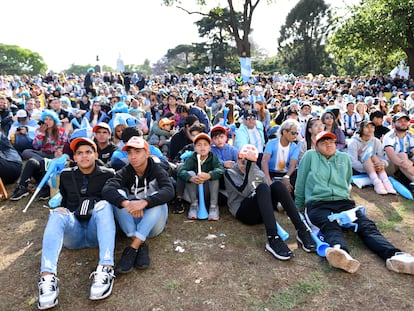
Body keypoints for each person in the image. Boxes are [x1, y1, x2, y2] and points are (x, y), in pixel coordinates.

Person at [295, 131, 414, 274]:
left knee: (366, 225)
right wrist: (298, 205)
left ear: (335, 143)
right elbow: (300, 181)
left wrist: (343, 197)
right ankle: (340, 253)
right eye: (323, 142)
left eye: (331, 141)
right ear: (316, 146)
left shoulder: (344, 158)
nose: (328, 144)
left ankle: (395, 255)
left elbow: (347, 181)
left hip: (343, 202)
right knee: (330, 225)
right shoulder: (310, 156)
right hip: (318, 203)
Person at [37, 137, 116, 310]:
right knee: (57, 213)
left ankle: (106, 267)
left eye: (88, 152)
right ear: (74, 157)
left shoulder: (108, 174)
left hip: (97, 231)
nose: (84, 156)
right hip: (75, 231)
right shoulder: (66, 175)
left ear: (95, 154)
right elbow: (65, 200)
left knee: (104, 205)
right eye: (79, 153)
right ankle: (48, 278)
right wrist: (63, 211)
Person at [224, 144, 316, 261]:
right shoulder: (230, 173)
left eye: (246, 161)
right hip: (243, 211)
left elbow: (267, 195)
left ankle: (302, 229)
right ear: (237, 159)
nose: (243, 164)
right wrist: (250, 166)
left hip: (261, 211)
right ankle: (273, 237)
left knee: (277, 185)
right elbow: (244, 190)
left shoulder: (258, 173)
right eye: (241, 160)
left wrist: (279, 205)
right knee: (262, 187)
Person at [102, 136, 174, 274]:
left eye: (137, 152)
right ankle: (139, 244)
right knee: (118, 196)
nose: (133, 156)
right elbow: (107, 189)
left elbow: (169, 190)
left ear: (147, 153)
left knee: (157, 199)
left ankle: (132, 248)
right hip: (132, 222)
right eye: (130, 153)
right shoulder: (126, 171)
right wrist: (126, 203)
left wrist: (145, 202)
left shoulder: (157, 170)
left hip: (153, 224)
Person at [177, 133, 224, 220]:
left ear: (210, 147)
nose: (202, 147)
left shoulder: (213, 157)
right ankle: (194, 205)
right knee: (190, 173)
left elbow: (221, 170)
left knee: (214, 174)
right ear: (194, 148)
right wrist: (191, 178)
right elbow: (181, 170)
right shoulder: (192, 158)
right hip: (194, 191)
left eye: (205, 144)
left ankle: (213, 206)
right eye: (199, 145)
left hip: (209, 191)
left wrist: (209, 175)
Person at [347, 120, 396, 194]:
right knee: (367, 156)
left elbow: (382, 157)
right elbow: (353, 161)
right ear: (361, 129)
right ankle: (377, 183)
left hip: (375, 167)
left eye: (372, 127)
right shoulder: (353, 142)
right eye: (367, 127)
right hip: (360, 169)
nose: (370, 129)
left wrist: (382, 164)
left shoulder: (376, 141)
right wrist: (368, 168)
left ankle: (386, 182)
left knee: (374, 156)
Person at [261, 119, 300, 193]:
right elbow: (264, 161)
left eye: (297, 133)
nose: (295, 136)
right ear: (284, 132)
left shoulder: (294, 147)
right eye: (293, 133)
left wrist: (287, 177)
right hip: (271, 173)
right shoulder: (272, 143)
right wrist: (268, 179)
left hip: (286, 173)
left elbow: (293, 165)